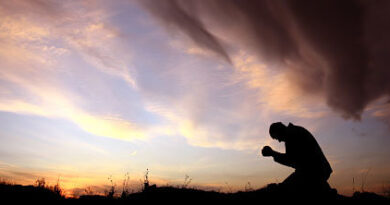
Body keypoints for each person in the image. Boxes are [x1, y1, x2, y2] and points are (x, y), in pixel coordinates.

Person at [262, 122, 332, 193]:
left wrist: (273, 153)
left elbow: (291, 160)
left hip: (313, 171)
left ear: (279, 131)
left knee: (283, 190)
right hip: (313, 170)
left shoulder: (292, 135)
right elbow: (294, 160)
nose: (279, 141)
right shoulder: (295, 132)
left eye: (277, 138)